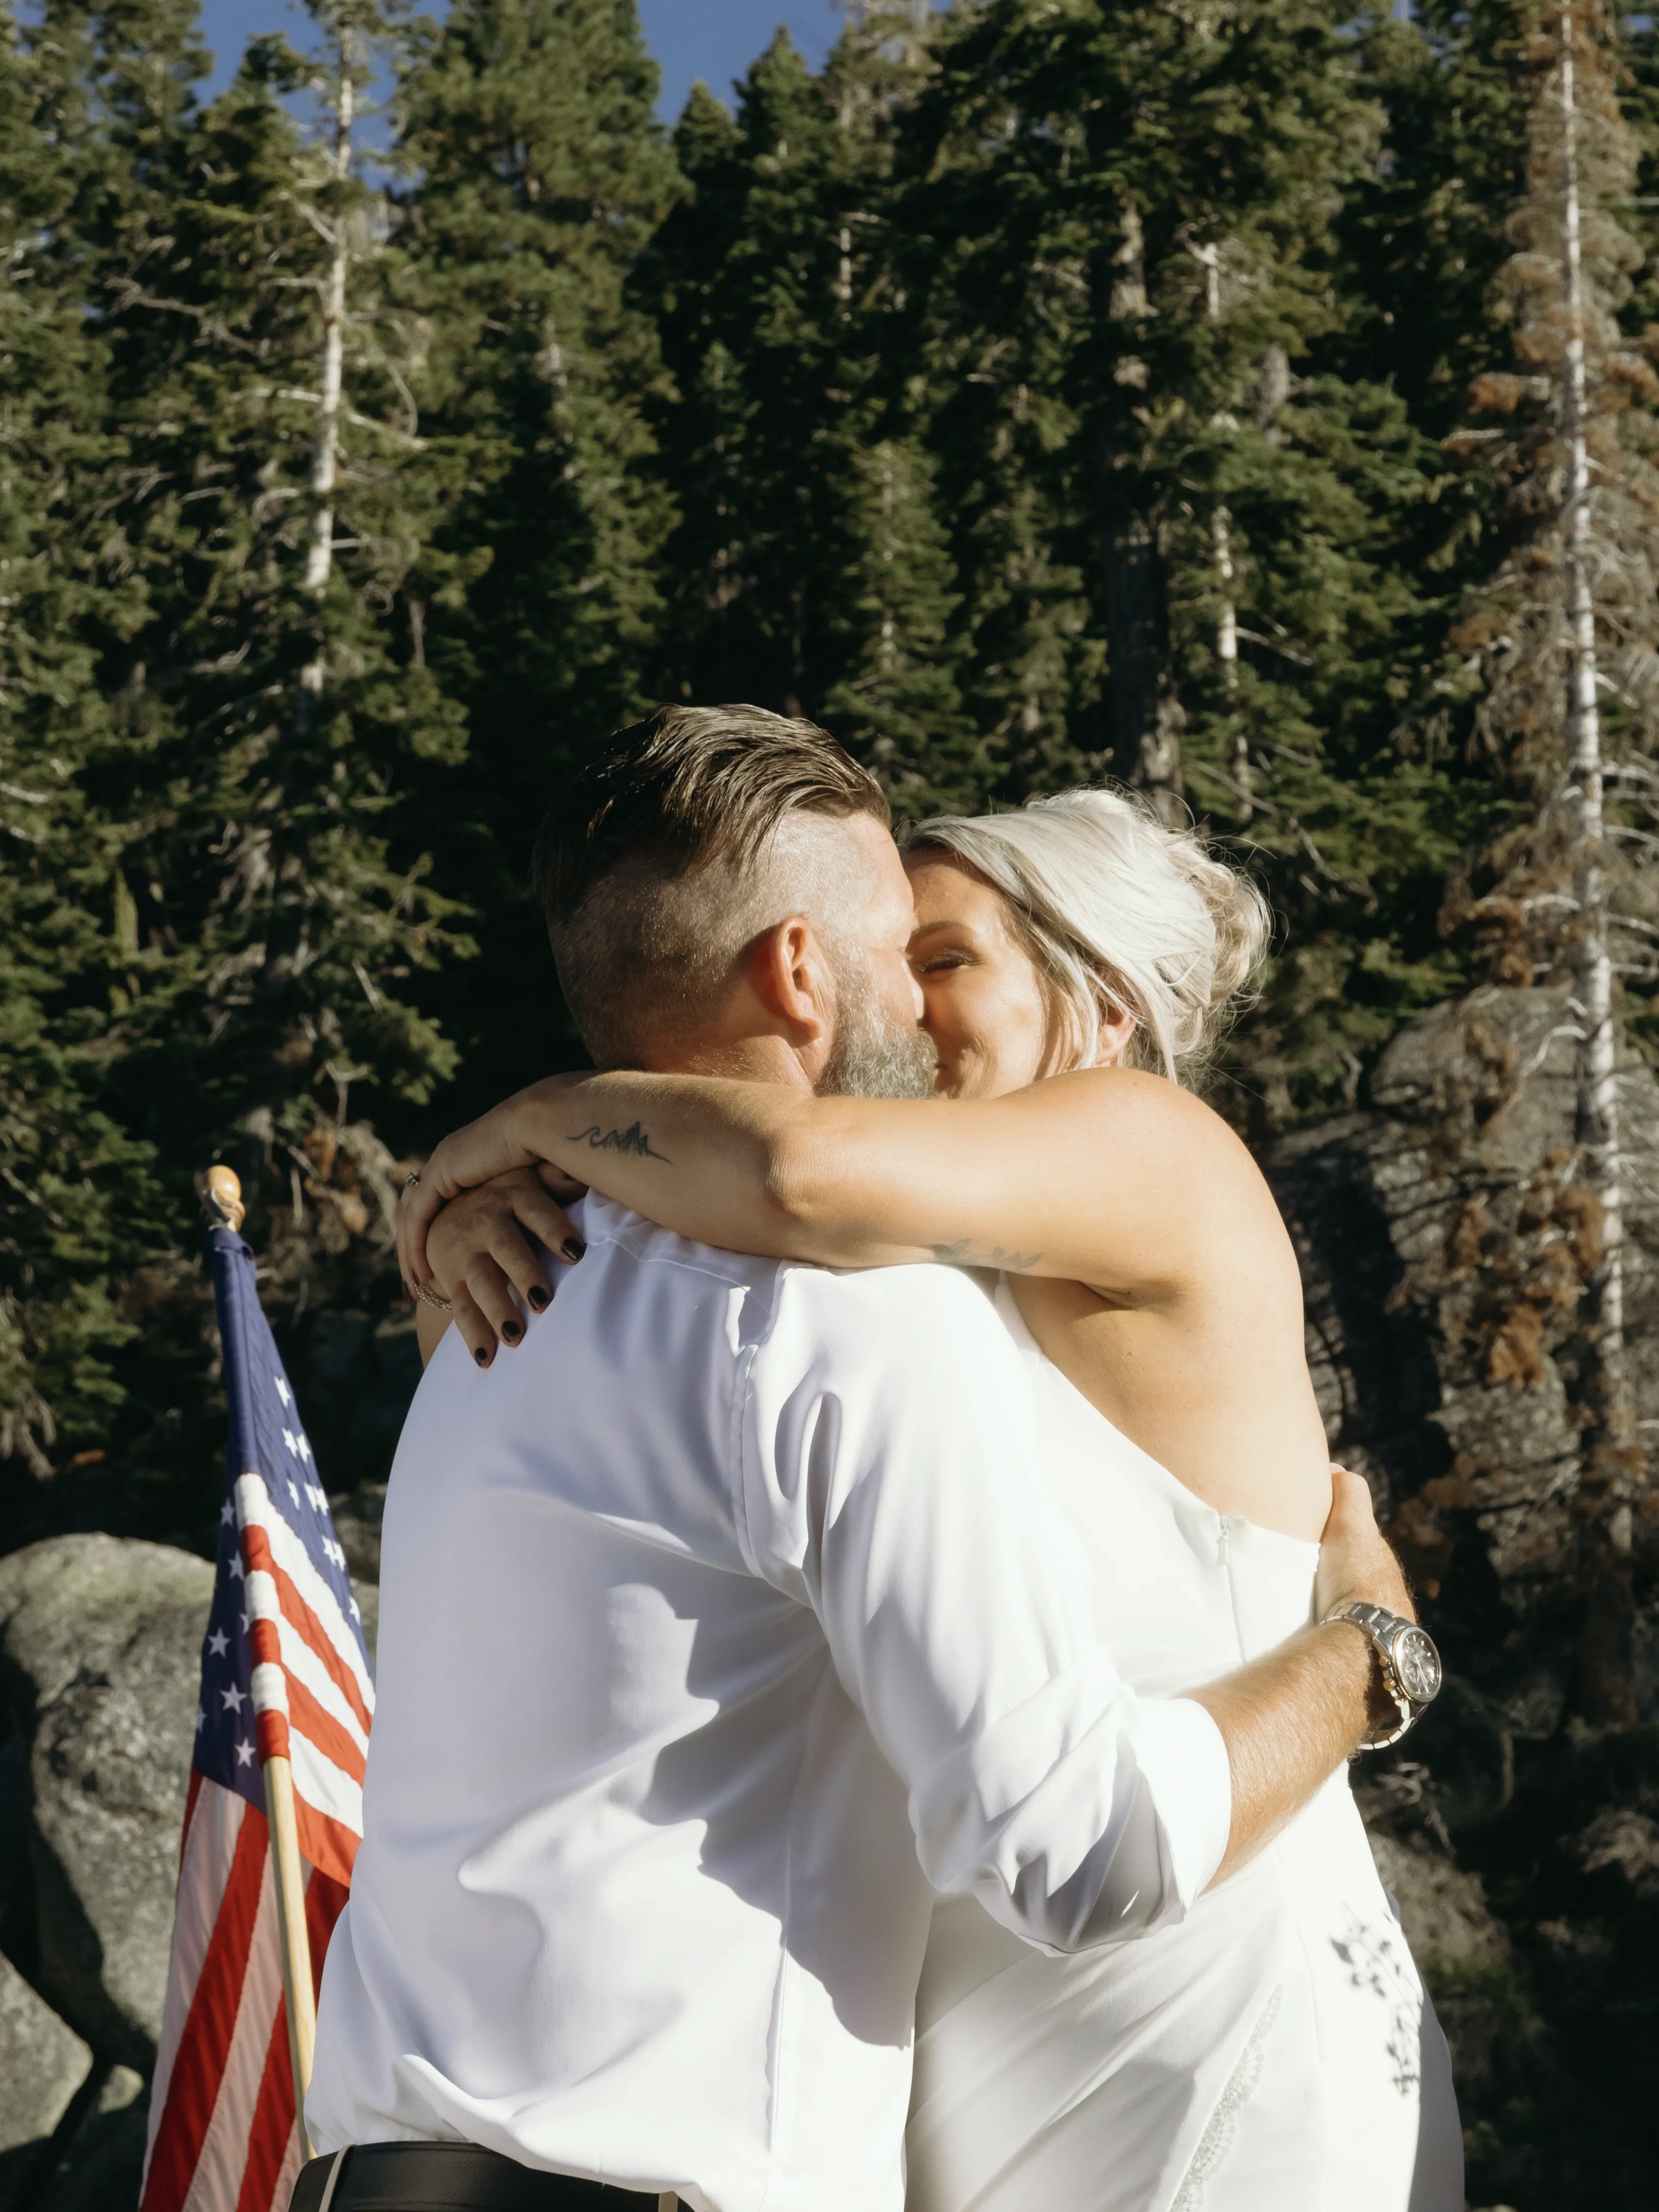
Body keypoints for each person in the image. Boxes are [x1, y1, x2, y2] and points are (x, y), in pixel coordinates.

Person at [299, 704, 1421, 2212]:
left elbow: (795, 1164)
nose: (921, 1003)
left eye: (947, 957)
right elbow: (1067, 1839)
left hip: (1195, 2058)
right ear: (803, 969)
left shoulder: (1127, 1160)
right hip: (905, 2113)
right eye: (906, 953)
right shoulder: (850, 1309)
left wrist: (544, 1116)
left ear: (1101, 1011)